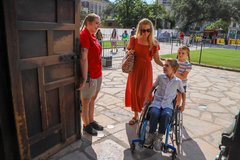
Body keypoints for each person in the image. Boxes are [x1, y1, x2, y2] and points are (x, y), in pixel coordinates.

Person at [125, 18, 163, 125]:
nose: (145, 32)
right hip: (134, 69)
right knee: (134, 92)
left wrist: (166, 65)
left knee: (145, 92)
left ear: (151, 30)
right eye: (143, 30)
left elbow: (157, 59)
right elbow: (127, 50)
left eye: (148, 30)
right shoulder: (134, 39)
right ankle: (136, 116)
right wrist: (129, 52)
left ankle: (145, 114)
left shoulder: (153, 43)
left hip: (146, 70)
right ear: (139, 29)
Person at [144, 59, 186, 152]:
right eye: (164, 65)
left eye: (167, 66)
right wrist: (147, 98)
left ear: (174, 68)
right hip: (156, 102)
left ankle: (159, 138)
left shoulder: (178, 81)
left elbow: (183, 93)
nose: (164, 67)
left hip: (168, 105)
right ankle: (151, 135)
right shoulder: (160, 77)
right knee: (154, 113)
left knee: (166, 115)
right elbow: (153, 87)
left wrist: (183, 104)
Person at [79, 13, 103, 136]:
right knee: (86, 100)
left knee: (93, 98)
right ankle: (86, 124)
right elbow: (84, 58)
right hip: (90, 75)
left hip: (98, 73)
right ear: (88, 23)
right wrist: (84, 78)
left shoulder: (93, 35)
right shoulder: (84, 35)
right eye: (96, 23)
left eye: (99, 23)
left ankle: (91, 120)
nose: (98, 25)